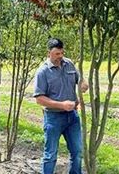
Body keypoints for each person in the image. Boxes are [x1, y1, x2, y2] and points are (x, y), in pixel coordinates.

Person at [33, 37, 88, 174]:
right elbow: (39, 99)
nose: (60, 56)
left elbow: (79, 79)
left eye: (62, 53)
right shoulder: (43, 72)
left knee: (77, 152)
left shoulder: (69, 64)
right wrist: (61, 105)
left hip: (72, 117)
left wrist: (83, 83)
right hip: (53, 118)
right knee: (50, 155)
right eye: (57, 53)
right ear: (49, 53)